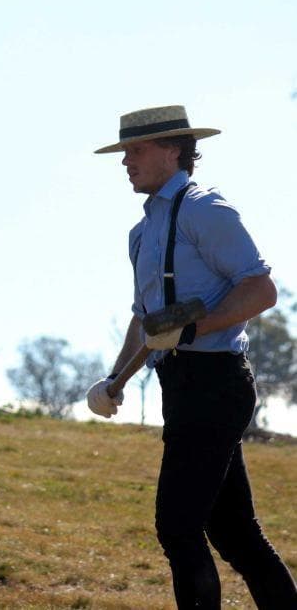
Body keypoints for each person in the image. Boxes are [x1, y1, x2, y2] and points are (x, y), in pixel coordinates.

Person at [86, 106, 297, 609]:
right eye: (124, 152)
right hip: (180, 386)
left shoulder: (206, 210)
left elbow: (260, 289)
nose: (125, 163)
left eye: (135, 151)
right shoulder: (141, 233)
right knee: (233, 533)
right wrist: (114, 380)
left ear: (172, 150)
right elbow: (147, 322)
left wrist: (195, 327)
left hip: (215, 380)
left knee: (178, 526)